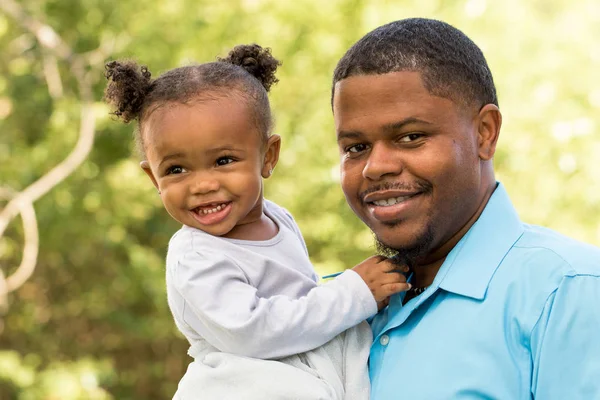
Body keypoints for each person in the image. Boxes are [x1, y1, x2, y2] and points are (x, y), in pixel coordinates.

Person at [104, 44, 410, 399]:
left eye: (223, 161)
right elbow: (253, 332)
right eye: (176, 169)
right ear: (154, 180)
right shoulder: (195, 255)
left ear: (268, 156)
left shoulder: (278, 218)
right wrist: (354, 294)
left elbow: (301, 296)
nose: (202, 185)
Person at [331, 17, 600, 399]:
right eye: (355, 147)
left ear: (485, 133)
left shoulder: (568, 294)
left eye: (410, 137)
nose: (376, 167)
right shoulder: (337, 306)